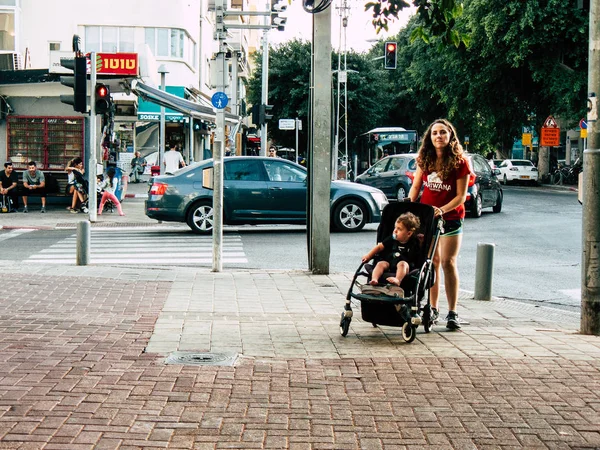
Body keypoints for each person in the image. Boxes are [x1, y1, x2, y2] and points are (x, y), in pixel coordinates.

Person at [407, 118, 471, 330]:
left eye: (443, 132)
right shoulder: (424, 159)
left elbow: (461, 196)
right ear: (430, 137)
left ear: (450, 135)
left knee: (448, 262)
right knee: (431, 263)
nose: (439, 136)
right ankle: (432, 308)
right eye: (435, 133)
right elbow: (416, 187)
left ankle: (452, 312)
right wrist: (409, 207)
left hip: (451, 218)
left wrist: (442, 210)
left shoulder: (460, 162)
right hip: (428, 218)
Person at [361, 212, 421, 293]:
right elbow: (379, 247)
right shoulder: (391, 239)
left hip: (404, 266)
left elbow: (419, 254)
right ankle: (374, 279)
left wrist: (421, 241)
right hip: (389, 263)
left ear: (409, 233)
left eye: (399, 229)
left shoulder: (413, 242)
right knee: (380, 264)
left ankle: (398, 280)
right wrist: (368, 256)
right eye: (395, 228)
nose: (395, 231)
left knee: (402, 264)